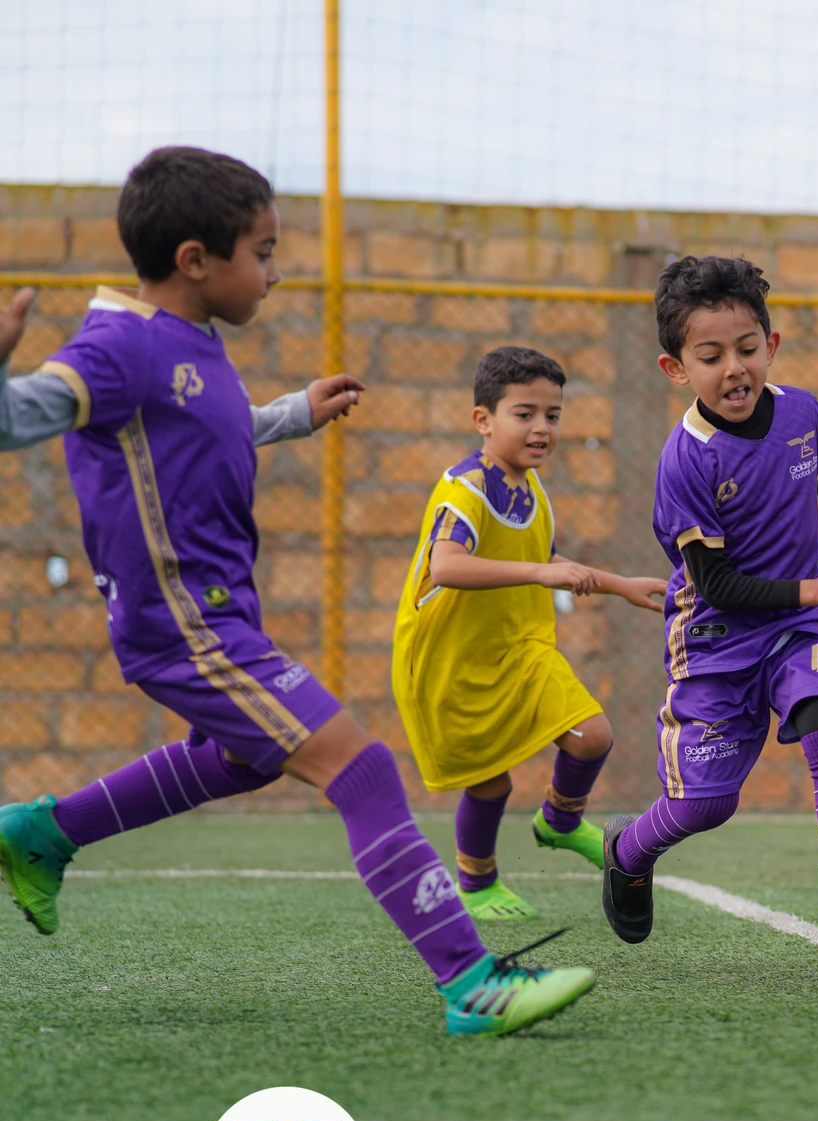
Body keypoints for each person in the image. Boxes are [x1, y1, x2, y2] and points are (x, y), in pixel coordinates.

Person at [0, 146, 593, 1036]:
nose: (275, 274)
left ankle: (43, 833)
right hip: (184, 624)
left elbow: (208, 423)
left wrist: (289, 413)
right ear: (197, 260)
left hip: (221, 615)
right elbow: (28, 413)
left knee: (240, 757)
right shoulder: (116, 344)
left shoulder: (189, 340)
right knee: (361, 766)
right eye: (265, 252)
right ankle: (472, 983)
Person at [597, 255, 818, 970]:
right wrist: (815, 588)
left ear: (773, 345)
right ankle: (627, 850)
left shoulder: (799, 411)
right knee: (706, 805)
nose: (734, 368)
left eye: (747, 348)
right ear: (676, 369)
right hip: (718, 640)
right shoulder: (685, 462)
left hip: (797, 628)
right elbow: (718, 582)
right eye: (711, 355)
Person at [391, 345, 667, 922]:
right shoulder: (464, 489)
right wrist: (544, 572)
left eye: (553, 415)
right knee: (490, 785)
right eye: (525, 414)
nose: (542, 428)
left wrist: (619, 584)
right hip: (451, 662)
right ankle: (478, 881)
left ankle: (561, 822)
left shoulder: (531, 488)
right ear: (483, 420)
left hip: (521, 648)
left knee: (592, 735)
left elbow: (541, 557)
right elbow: (446, 566)